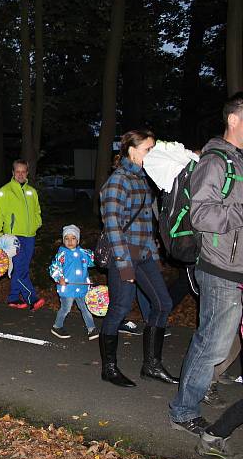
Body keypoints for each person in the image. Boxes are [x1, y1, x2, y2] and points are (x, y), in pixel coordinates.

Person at [170, 93, 243, 435]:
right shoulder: (216, 162)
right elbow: (201, 215)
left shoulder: (240, 161)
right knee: (212, 342)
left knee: (221, 342)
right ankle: (184, 410)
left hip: (237, 264)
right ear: (233, 119)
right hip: (220, 267)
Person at [99, 129, 176, 388]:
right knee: (120, 307)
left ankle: (151, 365)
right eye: (148, 149)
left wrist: (153, 254)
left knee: (163, 304)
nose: (152, 154)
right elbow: (112, 225)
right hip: (125, 255)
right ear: (132, 151)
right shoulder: (118, 181)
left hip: (143, 254)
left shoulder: (144, 179)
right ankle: (109, 368)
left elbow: (146, 221)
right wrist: (124, 265)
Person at [0, 159, 43, 310]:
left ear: (27, 172)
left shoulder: (32, 192)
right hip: (13, 237)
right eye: (18, 171)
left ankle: (13, 298)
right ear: (13, 172)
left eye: (23, 171)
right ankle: (32, 298)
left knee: (22, 268)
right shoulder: (5, 191)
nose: (20, 174)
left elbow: (37, 211)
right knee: (20, 268)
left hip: (30, 235)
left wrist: (37, 223)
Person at [48, 225, 97, 340]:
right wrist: (59, 277)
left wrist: (98, 256)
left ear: (78, 240)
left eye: (73, 238)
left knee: (85, 308)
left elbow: (94, 261)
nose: (70, 241)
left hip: (82, 288)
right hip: (68, 289)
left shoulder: (84, 253)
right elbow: (54, 267)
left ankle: (92, 328)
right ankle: (57, 326)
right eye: (67, 238)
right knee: (66, 308)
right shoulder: (62, 254)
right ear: (63, 240)